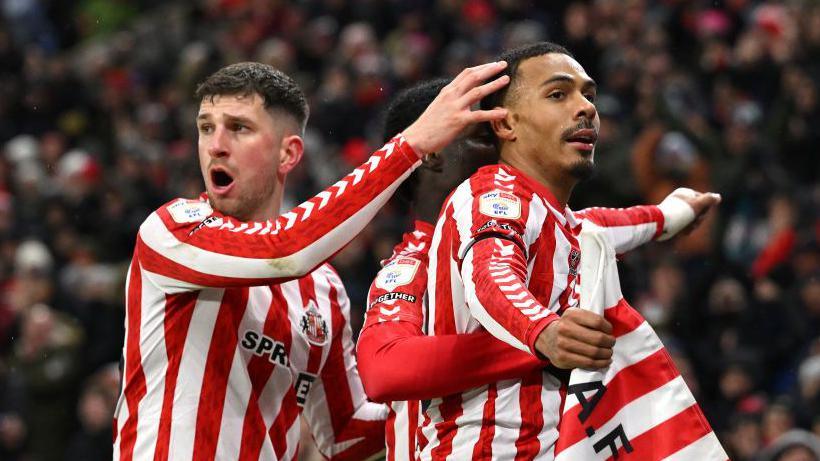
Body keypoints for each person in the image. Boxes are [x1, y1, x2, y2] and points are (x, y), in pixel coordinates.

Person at [112, 60, 511, 461]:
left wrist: (459, 379)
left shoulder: (323, 289)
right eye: (205, 127)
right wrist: (412, 144)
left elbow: (346, 432)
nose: (215, 144)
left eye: (239, 128)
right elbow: (280, 250)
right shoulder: (173, 232)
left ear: (289, 153)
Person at [419, 42, 721, 460]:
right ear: (507, 125)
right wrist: (547, 332)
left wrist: (676, 212)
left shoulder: (561, 221)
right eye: (558, 94)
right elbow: (490, 276)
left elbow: (611, 224)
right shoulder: (493, 194)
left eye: (589, 95)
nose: (585, 108)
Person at [356, 79, 547, 461]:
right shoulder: (414, 265)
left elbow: (591, 225)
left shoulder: (522, 236)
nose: (499, 147)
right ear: (431, 155)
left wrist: (671, 214)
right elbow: (383, 372)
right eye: (481, 136)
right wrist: (543, 342)